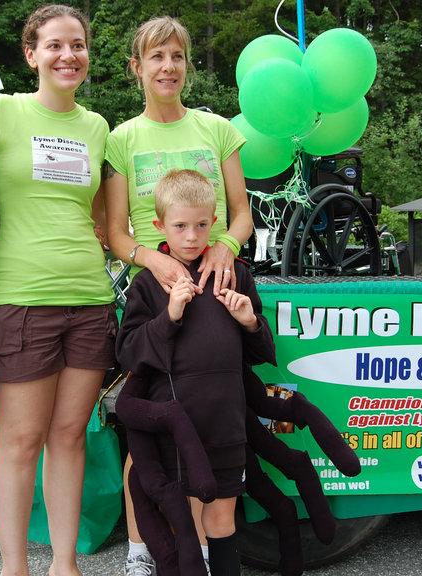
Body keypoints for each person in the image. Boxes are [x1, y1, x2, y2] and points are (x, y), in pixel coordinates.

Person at [103, 16, 252, 574]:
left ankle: (201, 551)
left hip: (215, 284)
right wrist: (155, 258)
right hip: (153, 292)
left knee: (206, 421)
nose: (168, 67)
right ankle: (142, 551)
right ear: (136, 68)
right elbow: (116, 233)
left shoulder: (217, 129)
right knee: (148, 421)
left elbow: (241, 214)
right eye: (156, 57)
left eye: (178, 56)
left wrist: (225, 247)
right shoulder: (122, 139)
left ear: (187, 66)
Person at [0, 5, 115, 576]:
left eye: (77, 45)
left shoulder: (97, 126)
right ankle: (14, 568)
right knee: (21, 440)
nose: (68, 55)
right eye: (54, 45)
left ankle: (64, 565)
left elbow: (106, 222)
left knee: (69, 436)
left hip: (89, 298)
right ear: (30, 54)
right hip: (20, 299)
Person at [115, 169, 276, 576]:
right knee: (178, 525)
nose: (192, 236)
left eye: (202, 225)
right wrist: (169, 317)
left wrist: (249, 321)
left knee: (220, 521)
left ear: (215, 221)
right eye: (181, 226)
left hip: (224, 428)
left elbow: (262, 353)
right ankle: (143, 555)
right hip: (173, 432)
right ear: (159, 226)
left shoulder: (234, 275)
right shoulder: (150, 285)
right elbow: (129, 354)